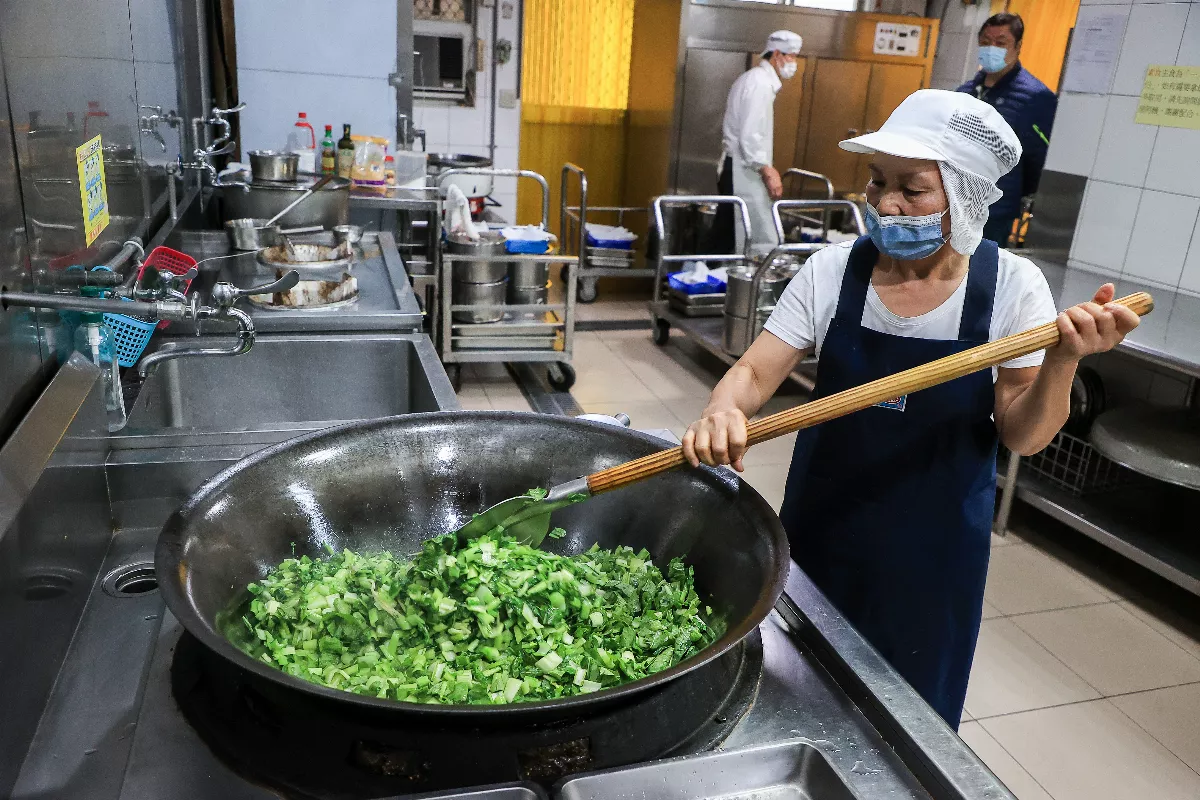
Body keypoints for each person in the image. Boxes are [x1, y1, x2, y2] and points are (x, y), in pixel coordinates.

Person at [681, 90, 1139, 728]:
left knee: (909, 719)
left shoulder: (1012, 287)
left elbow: (1024, 435)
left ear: (967, 193)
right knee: (797, 697)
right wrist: (723, 410)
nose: (885, 202)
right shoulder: (831, 272)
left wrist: (1062, 362)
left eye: (913, 188)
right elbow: (755, 372)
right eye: (877, 181)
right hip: (823, 526)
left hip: (935, 551)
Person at [957, 12, 1057, 246]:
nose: (991, 48)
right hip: (956, 202)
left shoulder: (1035, 97)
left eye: (1001, 43)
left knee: (981, 272)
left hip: (996, 208)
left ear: (1018, 46)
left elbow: (1039, 156)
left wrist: (1024, 197)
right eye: (985, 42)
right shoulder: (965, 92)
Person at [712, 30, 803, 255]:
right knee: (739, 231)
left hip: (741, 167)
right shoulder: (759, 83)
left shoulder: (755, 80)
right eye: (791, 56)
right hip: (742, 169)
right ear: (776, 55)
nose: (793, 62)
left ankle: (708, 276)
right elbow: (750, 135)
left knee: (728, 230)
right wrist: (767, 169)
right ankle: (707, 278)